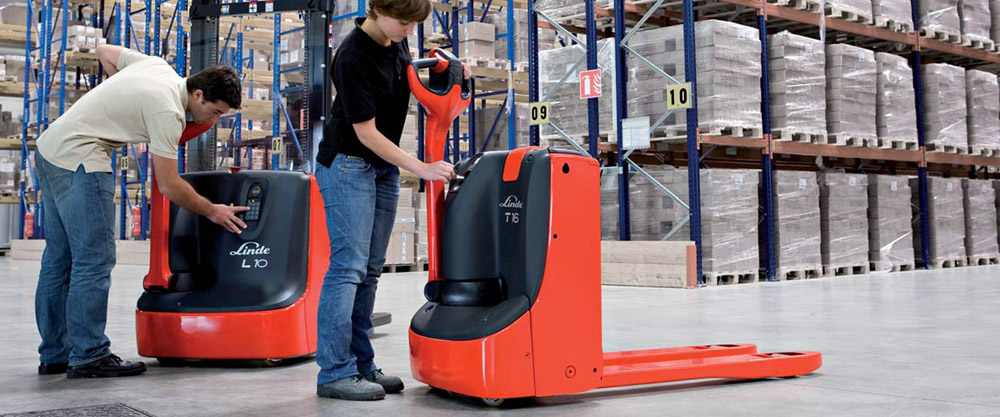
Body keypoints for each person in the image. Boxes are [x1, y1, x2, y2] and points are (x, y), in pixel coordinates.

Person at [34, 45, 249, 379]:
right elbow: (169, 185)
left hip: (49, 149)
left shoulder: (156, 66)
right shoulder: (167, 112)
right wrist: (212, 211)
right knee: (94, 260)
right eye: (215, 111)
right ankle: (89, 355)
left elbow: (103, 51)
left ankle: (54, 355)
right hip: (81, 160)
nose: (214, 120)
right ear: (198, 94)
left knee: (58, 259)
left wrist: (121, 105)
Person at [314, 0, 470, 401]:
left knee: (369, 271)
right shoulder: (351, 57)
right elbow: (365, 133)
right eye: (403, 22)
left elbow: (410, 77)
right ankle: (334, 372)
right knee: (347, 268)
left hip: (381, 169)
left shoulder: (396, 39)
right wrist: (421, 168)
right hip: (348, 165)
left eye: (414, 24)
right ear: (377, 10)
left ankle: (361, 365)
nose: (409, 30)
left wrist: (452, 72)